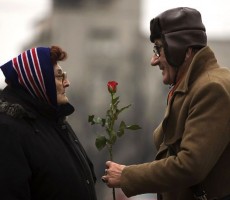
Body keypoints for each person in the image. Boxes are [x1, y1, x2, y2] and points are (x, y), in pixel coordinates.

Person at [101, 7, 230, 200]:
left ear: (184, 52)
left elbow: (190, 166)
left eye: (159, 49)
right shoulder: (191, 86)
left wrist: (127, 175)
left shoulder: (211, 88)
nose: (154, 60)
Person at [0, 46, 97, 200]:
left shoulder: (55, 121)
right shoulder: (8, 129)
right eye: (60, 76)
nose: (67, 83)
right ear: (37, 80)